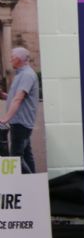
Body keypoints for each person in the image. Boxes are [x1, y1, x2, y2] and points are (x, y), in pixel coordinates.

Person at [0, 46, 40, 174]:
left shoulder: (27, 75)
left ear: (19, 59)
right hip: (20, 122)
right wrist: (3, 95)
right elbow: (15, 97)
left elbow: (18, 98)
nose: (10, 60)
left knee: (16, 158)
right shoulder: (21, 74)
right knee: (26, 155)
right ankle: (34, 181)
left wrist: (5, 118)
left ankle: (29, 180)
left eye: (12, 58)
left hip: (20, 123)